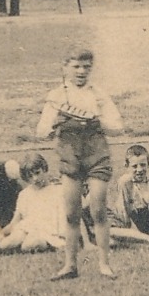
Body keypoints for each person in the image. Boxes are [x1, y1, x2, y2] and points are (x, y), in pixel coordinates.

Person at [36, 47, 125, 280]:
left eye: (86, 67)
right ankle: (70, 265)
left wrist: (96, 119)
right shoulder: (56, 96)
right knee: (71, 213)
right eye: (76, 66)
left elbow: (118, 127)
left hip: (96, 153)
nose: (81, 71)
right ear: (65, 68)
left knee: (98, 208)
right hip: (70, 155)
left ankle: (104, 264)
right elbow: (41, 132)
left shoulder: (98, 94)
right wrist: (57, 121)